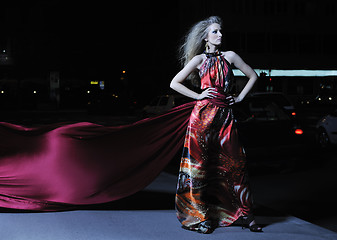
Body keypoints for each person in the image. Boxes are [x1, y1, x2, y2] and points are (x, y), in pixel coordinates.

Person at [170, 16, 262, 233]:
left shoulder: (230, 56)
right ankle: (201, 217)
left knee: (236, 165)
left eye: (221, 31)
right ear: (205, 37)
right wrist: (198, 95)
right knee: (200, 168)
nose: (220, 35)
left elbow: (253, 76)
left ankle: (245, 215)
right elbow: (174, 83)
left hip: (225, 117)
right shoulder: (199, 60)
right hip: (201, 118)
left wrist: (239, 98)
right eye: (215, 32)